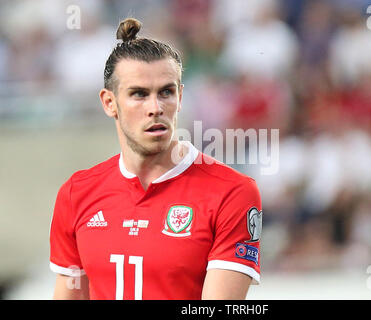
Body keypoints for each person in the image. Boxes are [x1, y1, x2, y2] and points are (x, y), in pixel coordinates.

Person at [49, 18, 262, 300]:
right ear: (109, 103)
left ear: (181, 97)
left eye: (166, 92)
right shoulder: (76, 193)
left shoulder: (232, 192)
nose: (156, 108)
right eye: (139, 94)